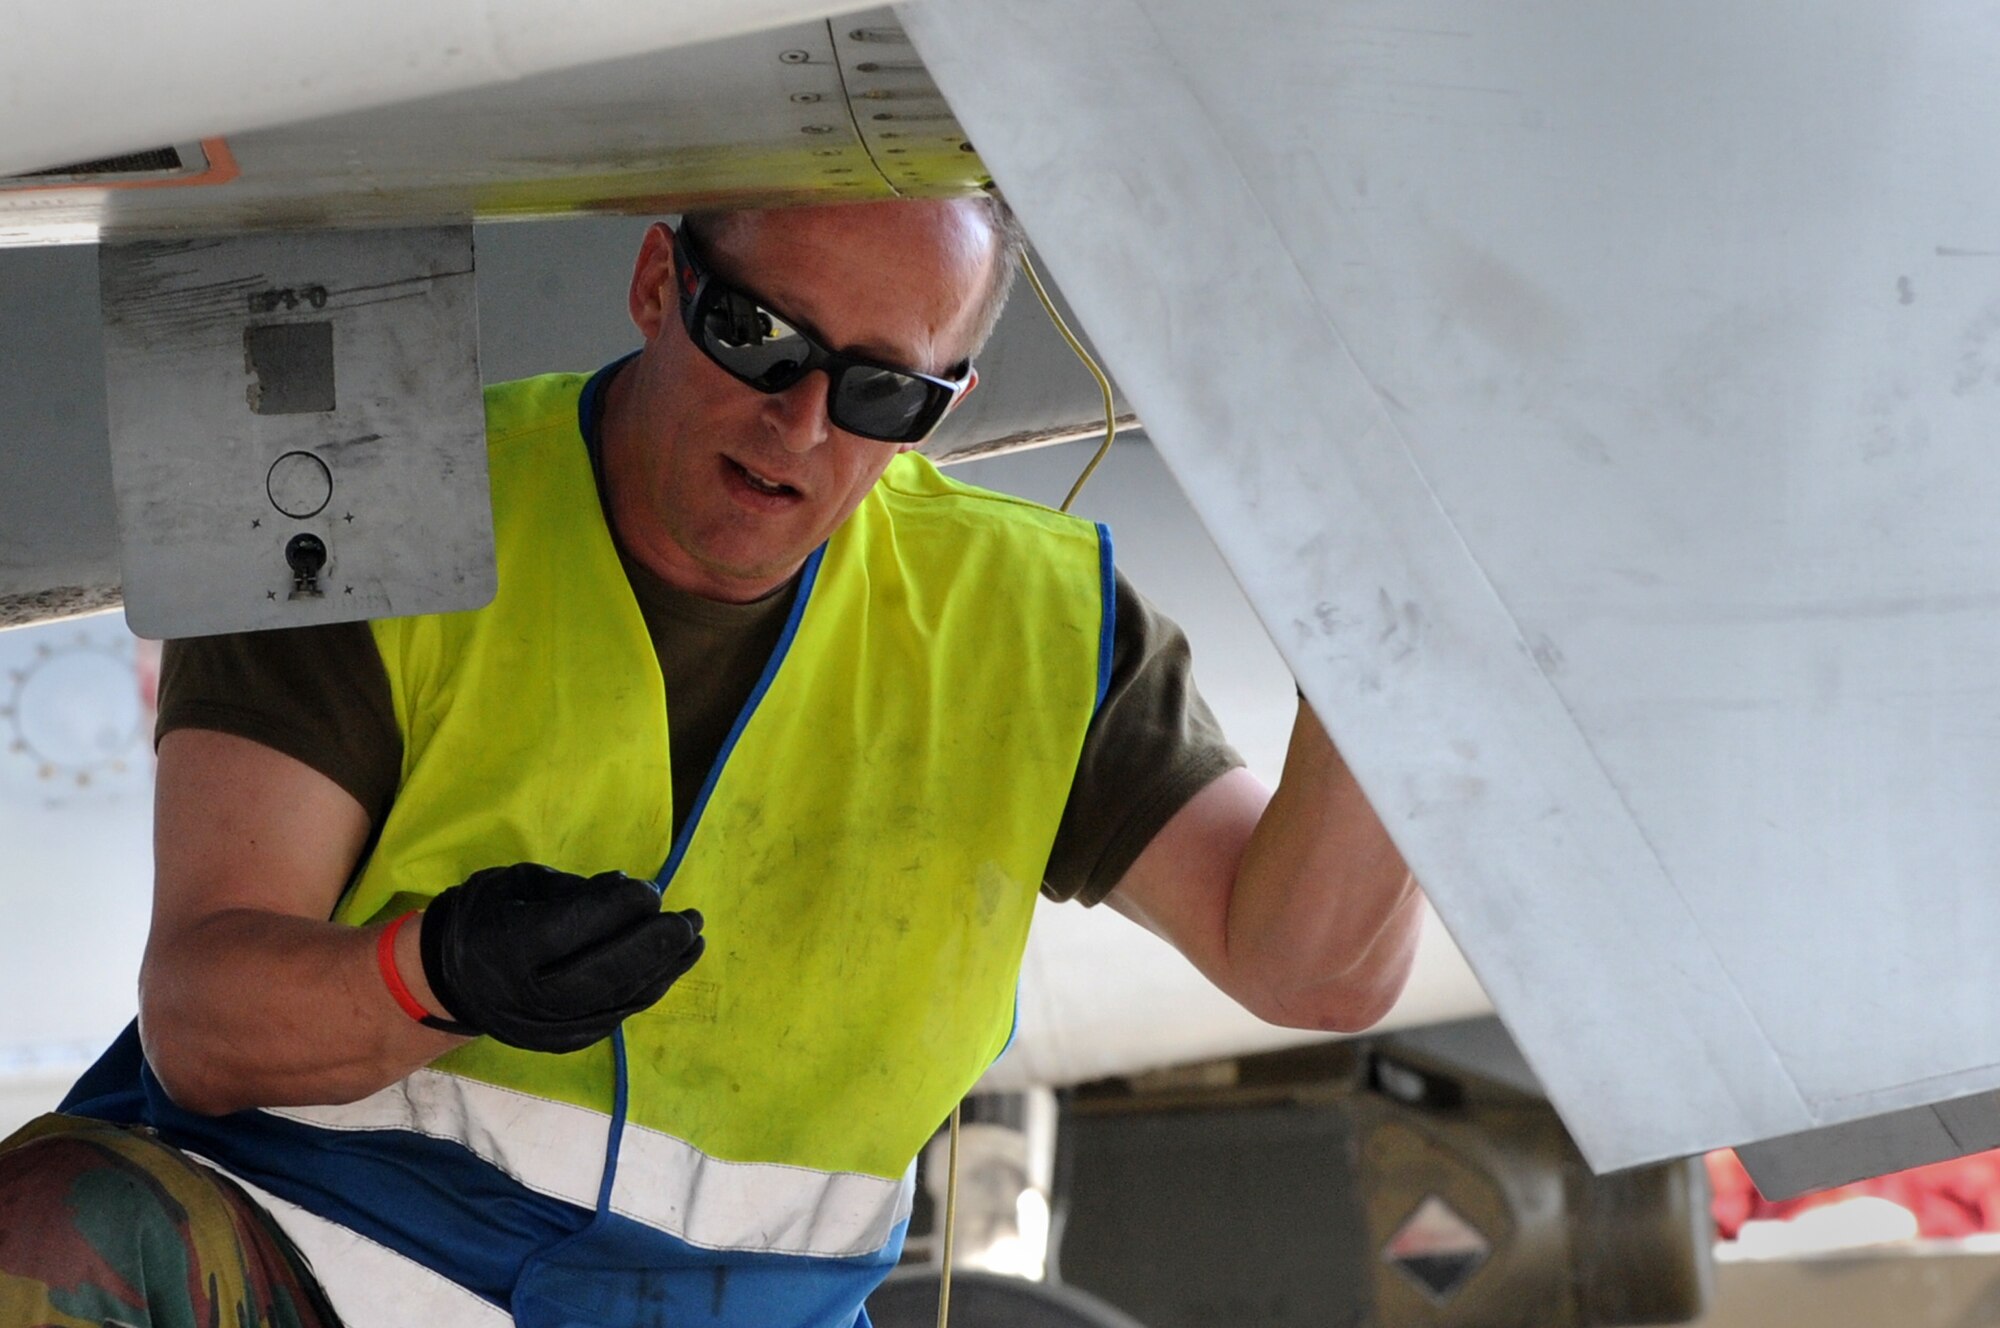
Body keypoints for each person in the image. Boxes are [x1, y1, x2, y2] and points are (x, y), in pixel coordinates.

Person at [0, 196, 1422, 1327]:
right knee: (57, 1234)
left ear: (948, 401)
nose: (799, 424)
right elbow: (205, 1018)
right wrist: (431, 972)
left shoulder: (1034, 628)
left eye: (881, 395)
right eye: (758, 337)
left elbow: (1312, 966)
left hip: (743, 1315)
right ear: (653, 285)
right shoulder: (362, 512)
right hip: (318, 1260)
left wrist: (1397, 643)